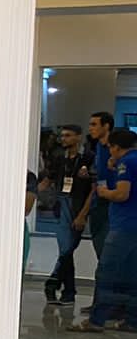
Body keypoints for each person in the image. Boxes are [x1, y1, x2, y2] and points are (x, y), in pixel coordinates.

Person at [68, 128, 136, 334]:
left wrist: (104, 192)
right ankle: (132, 320)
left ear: (115, 147)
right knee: (131, 276)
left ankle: (97, 320)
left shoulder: (127, 163)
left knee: (107, 273)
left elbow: (122, 194)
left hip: (124, 227)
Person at [38, 124, 95, 307]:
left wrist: (83, 214)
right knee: (66, 249)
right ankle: (68, 292)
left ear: (78, 137)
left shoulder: (88, 158)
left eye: (68, 135)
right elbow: (47, 181)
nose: (64, 139)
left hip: (77, 206)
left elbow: (93, 189)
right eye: (62, 136)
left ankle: (53, 282)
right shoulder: (58, 158)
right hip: (60, 205)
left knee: (68, 248)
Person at [74, 111, 116, 266]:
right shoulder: (98, 146)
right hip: (98, 203)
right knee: (100, 249)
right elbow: (99, 178)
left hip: (113, 204)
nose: (90, 128)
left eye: (94, 125)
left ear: (106, 126)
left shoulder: (115, 149)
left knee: (109, 254)